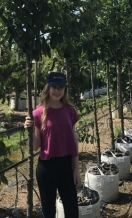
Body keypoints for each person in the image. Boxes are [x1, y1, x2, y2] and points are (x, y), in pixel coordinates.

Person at [24, 71, 81, 218]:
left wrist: (76, 168)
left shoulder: (70, 111)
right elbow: (36, 146)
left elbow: (73, 140)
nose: (57, 91)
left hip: (66, 165)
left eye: (60, 87)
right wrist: (29, 131)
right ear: (48, 88)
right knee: (48, 211)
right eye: (54, 87)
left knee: (72, 210)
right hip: (46, 167)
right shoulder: (38, 113)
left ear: (65, 90)